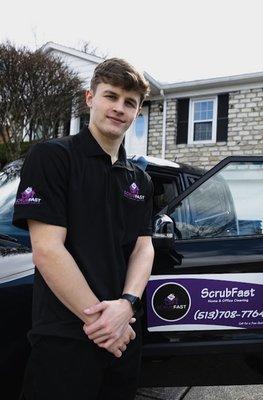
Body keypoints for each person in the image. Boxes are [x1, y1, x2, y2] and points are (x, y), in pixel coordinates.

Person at [13, 58, 154, 400]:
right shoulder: (52, 157)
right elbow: (47, 249)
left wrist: (126, 304)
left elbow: (142, 247)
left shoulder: (140, 179)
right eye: (111, 96)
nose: (120, 108)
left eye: (130, 102)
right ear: (90, 98)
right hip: (65, 336)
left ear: (136, 112)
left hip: (124, 335)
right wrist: (103, 324)